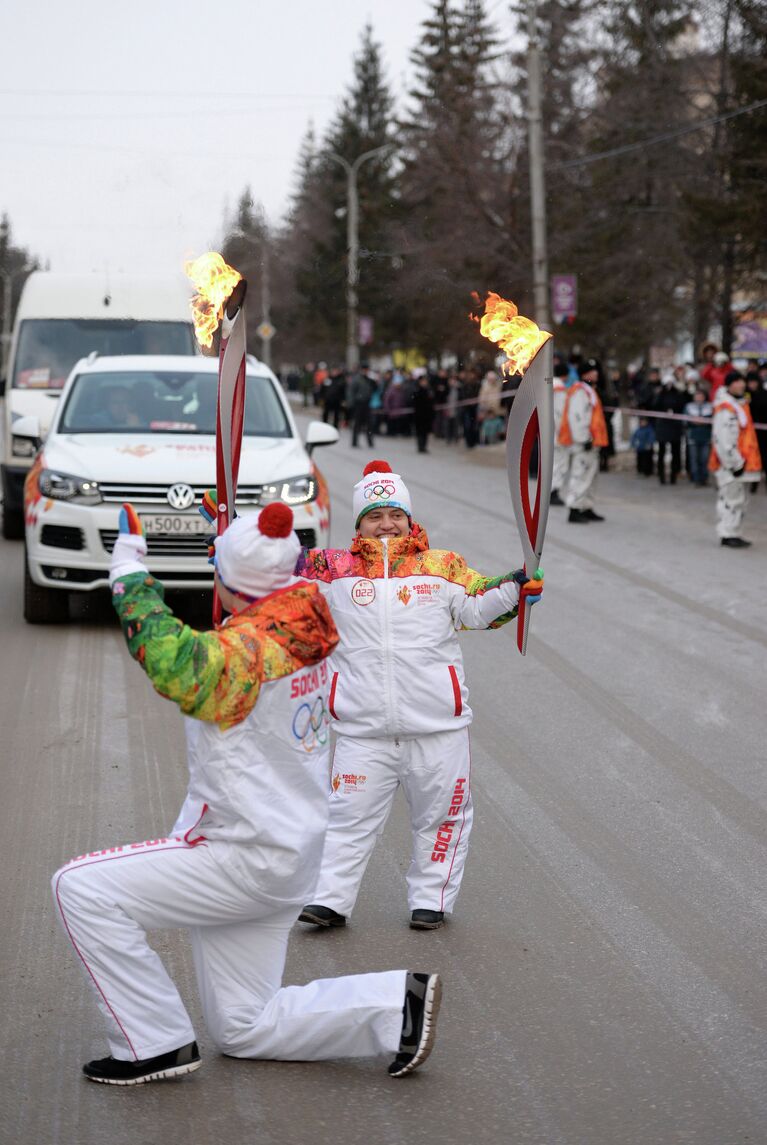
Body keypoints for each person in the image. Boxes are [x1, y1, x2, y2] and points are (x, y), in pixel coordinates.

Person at [51, 501, 442, 1085]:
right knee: (244, 1025)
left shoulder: (241, 661)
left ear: (233, 584)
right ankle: (394, 1007)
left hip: (240, 856)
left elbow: (173, 658)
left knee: (79, 889)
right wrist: (239, 549)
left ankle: (151, 1043)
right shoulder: (307, 614)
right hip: (291, 857)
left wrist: (130, 573)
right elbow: (268, 588)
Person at [294, 461, 543, 931]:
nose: (386, 524)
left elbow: (477, 606)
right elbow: (273, 566)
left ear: (409, 518)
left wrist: (515, 586)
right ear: (359, 523)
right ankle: (329, 900)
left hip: (436, 728)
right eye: (375, 515)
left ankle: (431, 898)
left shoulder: (440, 566)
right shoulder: (333, 570)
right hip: (361, 729)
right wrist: (231, 538)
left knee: (441, 818)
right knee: (346, 820)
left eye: (395, 514)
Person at [709, 371, 762, 547]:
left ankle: (733, 532)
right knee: (731, 498)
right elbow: (723, 439)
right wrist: (734, 463)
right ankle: (727, 533)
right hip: (731, 464)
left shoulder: (740, 406)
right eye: (737, 382)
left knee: (738, 499)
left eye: (742, 381)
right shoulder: (726, 408)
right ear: (730, 385)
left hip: (740, 462)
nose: (741, 385)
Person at [559, 363, 609, 523]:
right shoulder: (579, 392)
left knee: (590, 476)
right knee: (580, 474)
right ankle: (574, 508)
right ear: (585, 374)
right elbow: (577, 417)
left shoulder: (589, 391)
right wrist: (584, 438)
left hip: (593, 441)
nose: (596, 374)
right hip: (584, 442)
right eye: (592, 372)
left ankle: (586, 506)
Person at [652, 370, 687, 485]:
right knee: (661, 452)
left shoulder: (677, 394)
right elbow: (655, 405)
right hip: (663, 426)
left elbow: (682, 404)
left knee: (675, 452)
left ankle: (674, 476)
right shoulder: (660, 394)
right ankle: (661, 476)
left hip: (675, 427)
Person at [683, 387, 713, 487]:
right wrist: (693, 422)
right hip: (692, 436)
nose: (699, 398)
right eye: (697, 396)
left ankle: (704, 478)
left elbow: (713, 421)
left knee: (704, 459)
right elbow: (684, 420)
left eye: (701, 396)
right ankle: (696, 479)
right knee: (694, 459)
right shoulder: (689, 407)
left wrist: (703, 422)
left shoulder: (710, 407)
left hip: (706, 437)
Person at [550, 362, 570, 505]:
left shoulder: (548, 385)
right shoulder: (560, 389)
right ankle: (553, 491)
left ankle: (551, 491)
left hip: (549, 431)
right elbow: (562, 413)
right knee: (559, 463)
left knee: (553, 462)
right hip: (558, 432)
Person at [413, 375, 435, 453]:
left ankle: (424, 446)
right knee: (420, 432)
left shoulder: (429, 390)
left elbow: (432, 402)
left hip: (427, 415)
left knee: (425, 432)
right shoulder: (417, 390)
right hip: (419, 415)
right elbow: (415, 403)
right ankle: (420, 446)